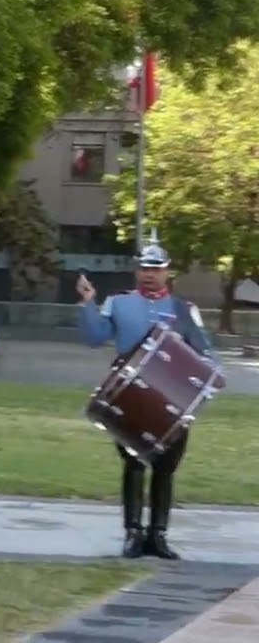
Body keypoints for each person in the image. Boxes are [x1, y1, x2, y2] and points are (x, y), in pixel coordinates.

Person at [77, 229, 218, 560]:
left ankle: (158, 535)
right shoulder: (119, 302)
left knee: (165, 468)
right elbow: (95, 337)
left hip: (173, 402)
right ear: (136, 270)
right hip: (131, 400)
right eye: (144, 268)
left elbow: (206, 353)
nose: (149, 275)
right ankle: (133, 534)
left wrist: (207, 376)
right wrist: (87, 303)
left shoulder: (184, 309)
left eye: (156, 269)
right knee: (134, 464)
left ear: (167, 271)